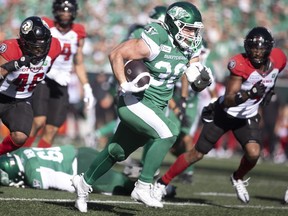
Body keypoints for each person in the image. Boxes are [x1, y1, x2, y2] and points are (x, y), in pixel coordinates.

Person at [70, 1, 213, 212]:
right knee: (168, 132)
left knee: (116, 152)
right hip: (134, 102)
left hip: (156, 106)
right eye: (188, 28)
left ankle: (83, 182)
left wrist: (201, 80)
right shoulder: (156, 38)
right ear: (174, 24)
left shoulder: (190, 45)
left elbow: (193, 75)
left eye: (194, 30)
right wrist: (124, 83)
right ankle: (144, 186)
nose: (192, 34)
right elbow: (116, 54)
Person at [155, 26, 287, 204]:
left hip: (247, 116)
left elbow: (274, 75)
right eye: (253, 48)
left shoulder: (279, 59)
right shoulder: (240, 64)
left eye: (261, 48)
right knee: (197, 153)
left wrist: (268, 91)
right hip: (224, 114)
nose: (256, 52)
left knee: (254, 153)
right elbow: (229, 100)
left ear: (269, 49)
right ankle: (161, 183)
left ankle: (237, 177)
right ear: (247, 47)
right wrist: (249, 93)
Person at [24, 0, 95, 148]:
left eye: (68, 10)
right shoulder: (46, 25)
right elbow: (33, 53)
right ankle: (22, 152)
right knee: (39, 121)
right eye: (62, 10)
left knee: (52, 128)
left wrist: (87, 87)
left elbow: (79, 62)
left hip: (63, 81)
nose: (65, 13)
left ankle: (38, 157)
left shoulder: (78, 31)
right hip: (43, 78)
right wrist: (51, 71)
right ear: (56, 10)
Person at [0, 16, 61, 155]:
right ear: (24, 42)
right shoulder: (10, 48)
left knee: (20, 137)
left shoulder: (55, 47)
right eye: (35, 47)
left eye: (42, 46)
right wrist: (13, 65)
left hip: (21, 99)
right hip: (1, 94)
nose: (39, 51)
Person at [0, 145, 134, 195]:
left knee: (122, 186)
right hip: (80, 151)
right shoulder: (21, 153)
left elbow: (46, 182)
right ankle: (134, 173)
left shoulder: (32, 172)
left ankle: (147, 182)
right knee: (118, 176)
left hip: (81, 166)